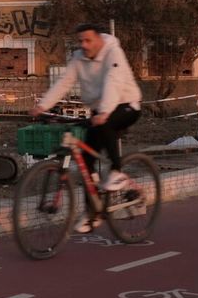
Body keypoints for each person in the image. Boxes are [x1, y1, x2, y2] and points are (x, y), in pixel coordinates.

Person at [32, 23, 143, 233]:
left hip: (126, 104)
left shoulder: (113, 52)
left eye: (88, 40)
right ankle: (92, 214)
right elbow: (64, 83)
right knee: (85, 160)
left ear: (99, 39)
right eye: (80, 41)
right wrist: (42, 106)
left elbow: (113, 82)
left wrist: (104, 112)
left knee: (107, 124)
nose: (84, 45)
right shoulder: (78, 58)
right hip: (100, 110)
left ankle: (117, 172)